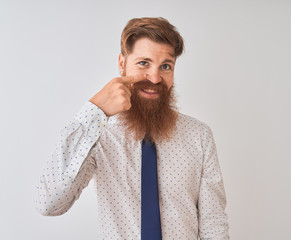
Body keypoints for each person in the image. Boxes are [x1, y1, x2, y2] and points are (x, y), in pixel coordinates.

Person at [35, 17, 229, 239]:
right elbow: (48, 203)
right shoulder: (98, 134)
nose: (155, 78)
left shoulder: (199, 135)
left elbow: (214, 225)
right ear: (122, 64)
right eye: (143, 63)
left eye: (165, 66)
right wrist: (95, 110)